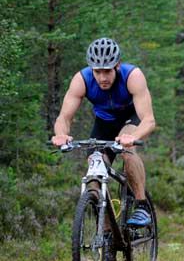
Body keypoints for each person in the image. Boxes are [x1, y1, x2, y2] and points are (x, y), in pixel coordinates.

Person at [51, 38, 156, 259]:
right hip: (104, 124)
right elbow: (64, 117)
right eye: (98, 71)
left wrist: (132, 137)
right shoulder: (82, 80)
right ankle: (107, 235)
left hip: (131, 119)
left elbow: (148, 120)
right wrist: (61, 134)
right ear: (92, 69)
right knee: (94, 176)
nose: (102, 77)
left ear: (117, 66)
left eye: (107, 71)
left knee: (128, 153)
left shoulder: (132, 76)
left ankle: (141, 204)